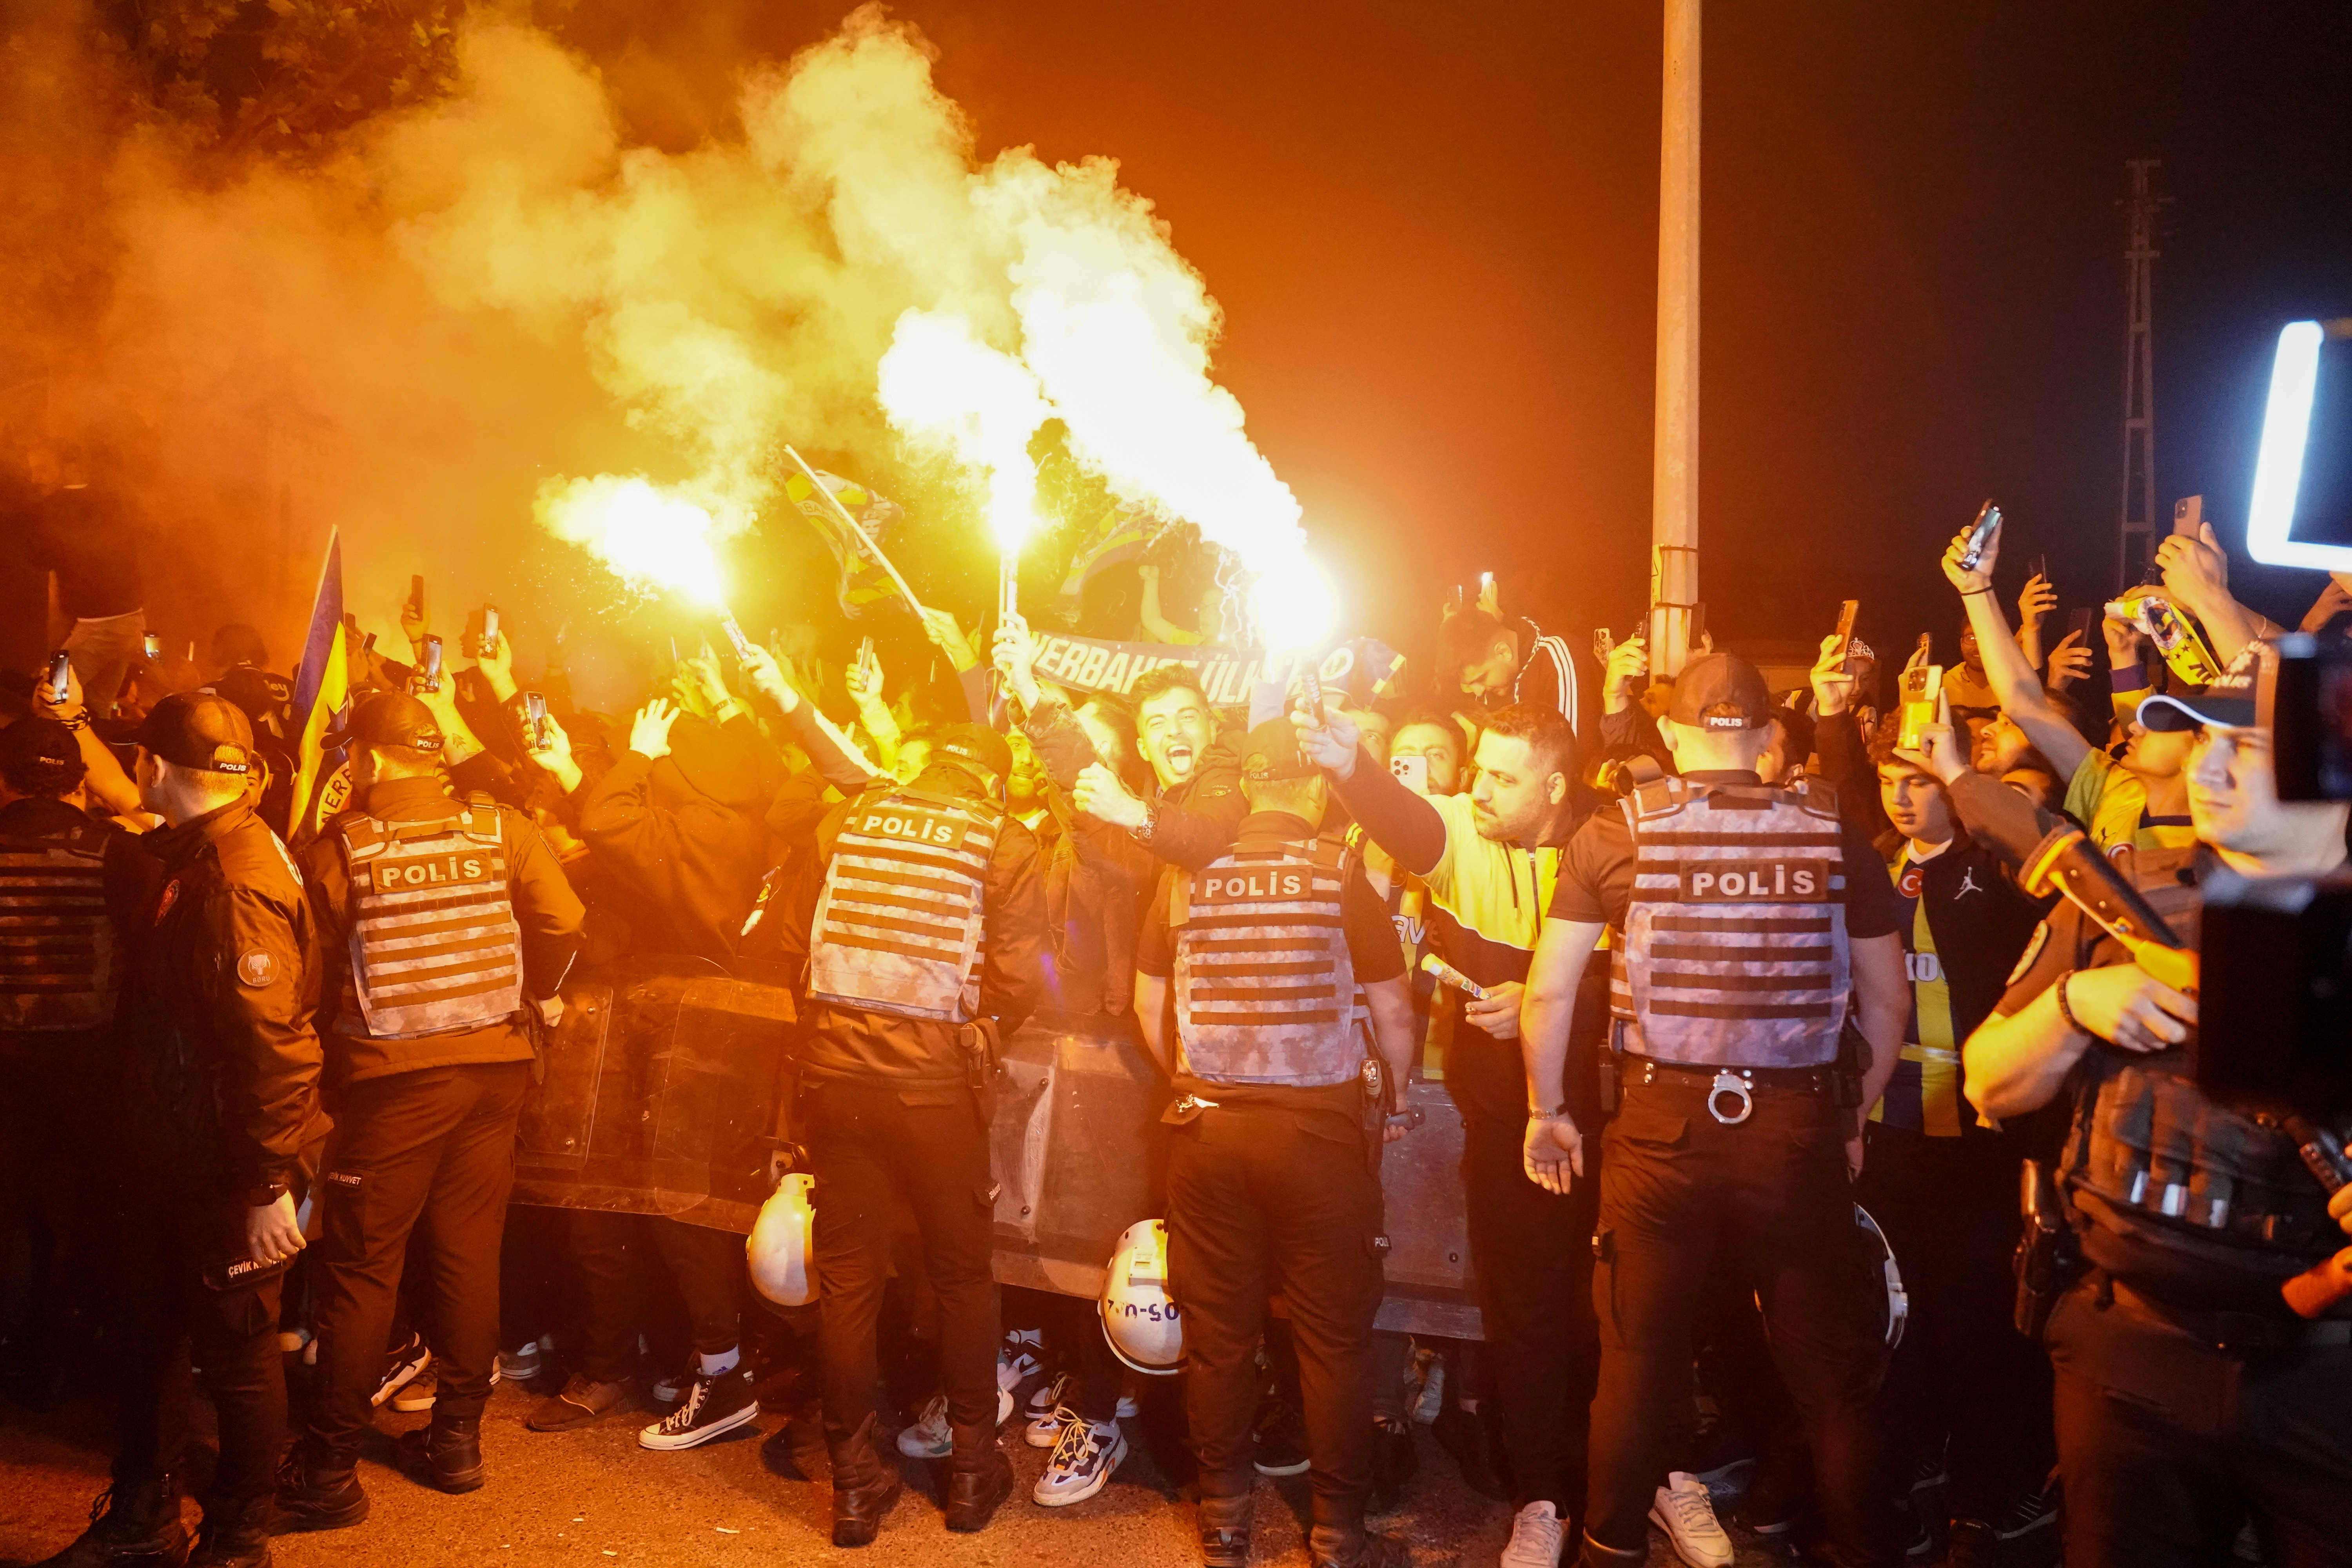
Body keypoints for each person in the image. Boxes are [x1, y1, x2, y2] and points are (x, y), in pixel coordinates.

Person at [1960, 643, 2352, 1568]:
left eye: (2246, 746)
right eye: (2197, 740)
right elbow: (1984, 1080)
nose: (2206, 769)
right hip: (2132, 1360)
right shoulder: (2120, 903)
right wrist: (2071, 1009)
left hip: (2329, 1379)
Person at [1519, 651, 1912, 1568]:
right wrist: (1853, 1114)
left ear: (1670, 730)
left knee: (1637, 1365)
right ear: (1768, 733)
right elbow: (1888, 1002)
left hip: (1661, 1131)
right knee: (1835, 1377)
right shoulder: (1834, 830)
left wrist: (1548, 1110)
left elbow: (1548, 995)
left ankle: (1614, 1549)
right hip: (1796, 1127)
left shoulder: (1617, 832)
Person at [1296, 699, 1599, 1568]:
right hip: (1514, 1124)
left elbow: (1655, 984)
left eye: (1503, 777)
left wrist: (1553, 1009)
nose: (1481, 789)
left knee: (1624, 1318)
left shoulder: (1609, 845)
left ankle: (1650, 1475)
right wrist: (1351, 765)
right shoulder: (1464, 828)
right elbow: (1411, 820)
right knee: (1530, 1315)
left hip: (1618, 1123)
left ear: (1555, 784)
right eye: (1480, 771)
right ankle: (1540, 1498)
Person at [276, 691, 584, 1526]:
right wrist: (531, 991)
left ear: (370, 759)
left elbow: (308, 970)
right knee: (469, 1253)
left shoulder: (344, 848)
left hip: (393, 1081)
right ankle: (456, 1443)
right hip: (495, 1072)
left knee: (364, 1264)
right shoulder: (500, 827)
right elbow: (564, 919)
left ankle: (331, 1466)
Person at [36, 693, 326, 1568]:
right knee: (148, 1334)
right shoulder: (199, 848)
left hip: (223, 1164)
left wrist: (268, 1182)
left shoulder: (234, 878)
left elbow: (275, 1045)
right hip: (171, 1151)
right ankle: (142, 1517)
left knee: (237, 1356)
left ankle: (237, 1539)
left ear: (158, 767)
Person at [1135, 717, 1420, 1568]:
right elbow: (1395, 1009)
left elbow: (1147, 1003)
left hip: (1208, 1132)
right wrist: (1396, 1094)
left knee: (1220, 1337)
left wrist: (1194, 1076)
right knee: (1333, 1339)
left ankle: (1224, 1521)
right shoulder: (1338, 873)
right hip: (1317, 1136)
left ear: (1249, 785)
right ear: (1313, 787)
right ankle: (1335, 1529)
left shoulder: (1185, 875)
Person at [785, 718, 1047, 1546]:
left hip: (835, 1074)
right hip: (936, 1084)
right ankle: (972, 1472)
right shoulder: (1001, 838)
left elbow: (797, 939)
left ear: (928, 766)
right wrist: (987, 1025)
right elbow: (1017, 969)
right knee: (964, 1276)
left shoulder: (851, 817)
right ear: (993, 785)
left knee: (850, 1280)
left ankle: (856, 1483)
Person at [1853, 719, 2060, 1564]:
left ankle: (1977, 1503)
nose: (1902, 796)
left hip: (1977, 1139)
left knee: (1977, 1329)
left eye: (1920, 780)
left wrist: (1981, 785)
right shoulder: (1873, 860)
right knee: (1890, 1326)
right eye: (1891, 780)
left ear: (1953, 781)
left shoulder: (1994, 865)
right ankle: (1894, 1485)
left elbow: (2062, 871)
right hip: (1886, 1135)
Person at [0, 719, 145, 1404]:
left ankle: (16, 1354)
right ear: (79, 779)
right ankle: (77, 1350)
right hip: (92, 1062)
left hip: (7, 1065)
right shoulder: (115, 851)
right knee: (86, 1210)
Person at [1437, 603, 1579, 732]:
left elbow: (1575, 749)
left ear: (1503, 652)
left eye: (1482, 678)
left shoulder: (1555, 656)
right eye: (1471, 684)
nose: (1478, 692)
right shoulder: (1491, 680)